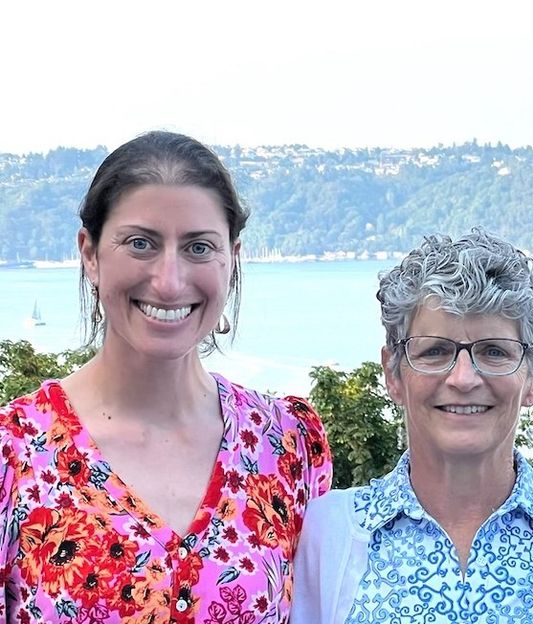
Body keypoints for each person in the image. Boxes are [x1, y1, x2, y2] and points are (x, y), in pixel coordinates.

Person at [0, 131, 332, 623]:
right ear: (90, 253)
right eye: (140, 244)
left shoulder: (286, 445)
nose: (170, 281)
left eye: (199, 247)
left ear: (232, 258)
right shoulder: (15, 454)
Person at [293, 229, 533, 623]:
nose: (463, 378)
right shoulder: (330, 534)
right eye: (435, 351)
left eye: (494, 352)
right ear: (393, 373)